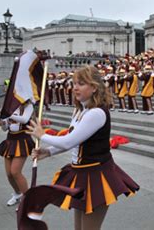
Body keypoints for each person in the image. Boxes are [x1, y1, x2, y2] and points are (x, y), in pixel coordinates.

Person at [27, 66, 139, 229]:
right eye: (74, 83)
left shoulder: (96, 113)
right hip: (81, 173)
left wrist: (42, 135)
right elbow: (72, 140)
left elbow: (68, 141)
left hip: (96, 176)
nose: (75, 88)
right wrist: (49, 151)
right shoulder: (81, 110)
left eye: (81, 83)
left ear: (94, 87)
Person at [0, 100, 35, 206]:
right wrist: (3, 122)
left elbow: (24, 119)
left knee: (15, 172)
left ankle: (28, 200)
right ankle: (17, 194)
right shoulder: (10, 105)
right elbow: (5, 128)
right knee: (9, 174)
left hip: (22, 140)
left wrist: (8, 114)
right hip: (10, 140)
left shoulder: (28, 105)